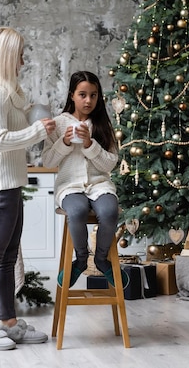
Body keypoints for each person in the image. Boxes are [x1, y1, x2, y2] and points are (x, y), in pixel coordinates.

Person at [0, 27, 56, 351]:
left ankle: (8, 322)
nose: (22, 59)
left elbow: (13, 129)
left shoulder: (10, 90)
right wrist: (36, 131)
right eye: (19, 53)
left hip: (11, 185)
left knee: (6, 261)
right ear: (6, 55)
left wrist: (35, 122)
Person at [42, 71, 128, 289]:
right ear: (72, 95)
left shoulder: (102, 125)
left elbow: (110, 164)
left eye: (93, 95)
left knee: (109, 211)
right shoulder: (58, 123)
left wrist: (90, 144)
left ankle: (100, 259)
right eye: (82, 94)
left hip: (99, 185)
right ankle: (81, 259)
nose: (88, 100)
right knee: (77, 211)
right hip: (69, 186)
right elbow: (47, 162)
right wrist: (64, 142)